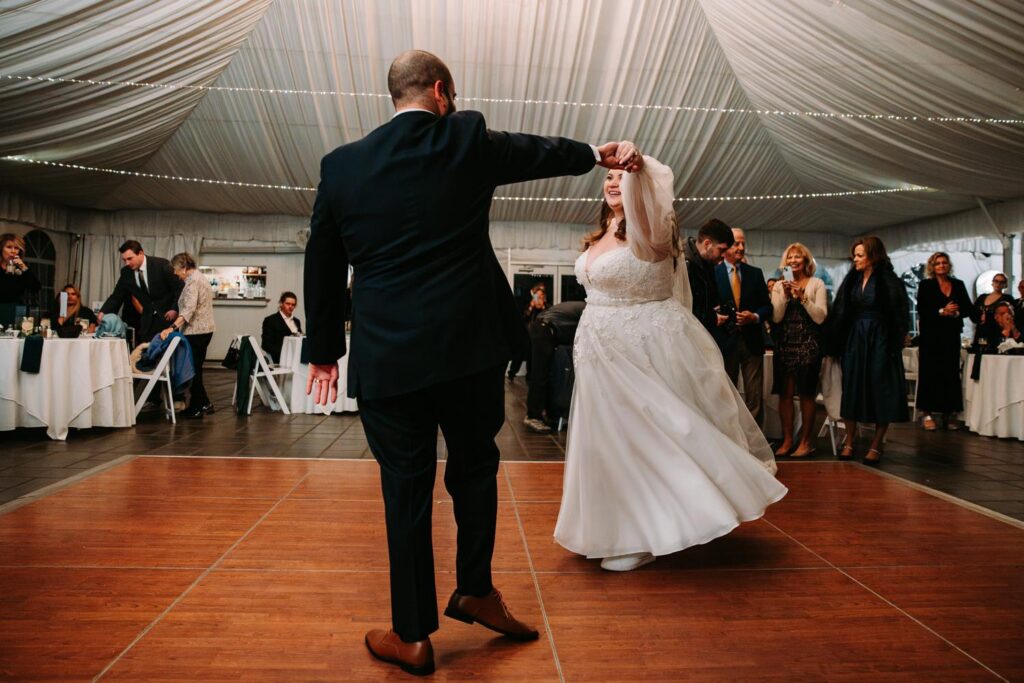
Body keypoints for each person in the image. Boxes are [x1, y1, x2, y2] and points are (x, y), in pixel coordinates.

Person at [302, 49, 628, 676]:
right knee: (475, 467)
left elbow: (323, 262)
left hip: (390, 357)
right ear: (442, 90)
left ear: (394, 94)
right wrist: (594, 153)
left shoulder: (341, 167)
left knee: (406, 488)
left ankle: (413, 636)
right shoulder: (465, 137)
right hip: (469, 349)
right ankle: (475, 588)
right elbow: (536, 152)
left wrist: (322, 352)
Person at [554, 152, 787, 574]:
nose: (612, 183)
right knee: (605, 440)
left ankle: (648, 532)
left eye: (621, 177)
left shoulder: (651, 229)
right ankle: (611, 527)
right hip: (596, 348)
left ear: (641, 185)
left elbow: (652, 228)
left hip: (634, 345)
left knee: (647, 434)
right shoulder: (601, 233)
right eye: (608, 177)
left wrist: (638, 166)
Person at [827, 236, 909, 464]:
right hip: (856, 339)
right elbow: (841, 310)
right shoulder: (852, 280)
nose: (855, 259)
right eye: (854, 255)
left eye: (860, 255)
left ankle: (876, 443)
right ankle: (850, 440)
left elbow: (899, 312)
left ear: (873, 256)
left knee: (881, 387)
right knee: (852, 387)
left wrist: (896, 338)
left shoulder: (889, 280)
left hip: (880, 338)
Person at [770, 243, 828, 457]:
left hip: (808, 346)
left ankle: (805, 441)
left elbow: (820, 317)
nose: (793, 261)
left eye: (798, 257)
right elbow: (776, 317)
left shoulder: (817, 283)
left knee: (806, 394)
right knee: (784, 395)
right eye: (790, 258)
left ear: (806, 261)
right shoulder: (778, 286)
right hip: (785, 345)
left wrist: (803, 297)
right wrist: (785, 295)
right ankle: (786, 440)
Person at [714, 228, 771, 424]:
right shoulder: (714, 273)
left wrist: (754, 316)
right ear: (726, 245)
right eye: (737, 243)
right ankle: (729, 439)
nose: (741, 247)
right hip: (724, 341)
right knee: (725, 394)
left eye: (743, 243)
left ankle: (755, 445)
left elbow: (767, 306)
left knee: (754, 395)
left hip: (752, 341)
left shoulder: (755, 273)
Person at [915, 252, 973, 431]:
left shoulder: (958, 284)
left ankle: (950, 413)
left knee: (950, 373)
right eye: (938, 263)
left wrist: (955, 312)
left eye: (944, 263)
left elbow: (968, 308)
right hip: (931, 336)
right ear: (932, 266)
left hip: (951, 335)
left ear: (949, 265)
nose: (941, 266)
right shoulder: (926, 285)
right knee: (929, 372)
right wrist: (941, 311)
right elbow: (922, 309)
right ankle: (927, 413)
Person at [159, 253, 215, 418]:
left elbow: (189, 309)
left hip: (196, 331)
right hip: (203, 330)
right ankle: (203, 403)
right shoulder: (199, 278)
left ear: (184, 267)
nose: (175, 273)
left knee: (193, 370)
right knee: (196, 368)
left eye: (176, 270)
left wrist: (172, 327)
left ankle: (199, 406)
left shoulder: (192, 282)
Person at [99, 240, 183, 345]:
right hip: (146, 321)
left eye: (130, 258)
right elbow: (117, 295)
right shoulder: (126, 272)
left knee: (167, 356)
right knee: (147, 354)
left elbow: (179, 288)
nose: (127, 263)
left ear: (141, 253)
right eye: (124, 260)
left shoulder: (162, 265)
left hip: (167, 318)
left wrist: (174, 309)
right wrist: (104, 312)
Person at [522, 300, 586, 433]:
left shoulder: (584, 307)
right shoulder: (588, 310)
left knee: (548, 373)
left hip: (544, 328)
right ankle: (533, 416)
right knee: (540, 375)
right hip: (545, 329)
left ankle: (547, 413)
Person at [681, 219, 734, 334]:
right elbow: (685, 308)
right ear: (707, 244)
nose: (724, 255)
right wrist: (713, 318)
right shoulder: (684, 264)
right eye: (722, 250)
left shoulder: (707, 262)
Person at [971, 272, 1013, 345]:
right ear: (992, 283)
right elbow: (972, 313)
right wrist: (980, 318)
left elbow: (1011, 317)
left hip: (997, 333)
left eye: (1001, 282)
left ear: (1005, 285)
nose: (998, 284)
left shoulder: (1008, 299)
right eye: (996, 281)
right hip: (981, 332)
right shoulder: (982, 297)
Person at [261, 291, 302, 364]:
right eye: (287, 303)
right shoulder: (271, 320)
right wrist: (284, 353)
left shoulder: (297, 321)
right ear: (281, 303)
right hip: (280, 358)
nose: (290, 306)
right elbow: (266, 344)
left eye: (293, 305)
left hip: (298, 357)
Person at [0, 233, 41, 306]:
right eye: (9, 247)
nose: (13, 251)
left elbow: (35, 288)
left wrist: (23, 267)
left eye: (16, 248)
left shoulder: (22, 269)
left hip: (16, 310)